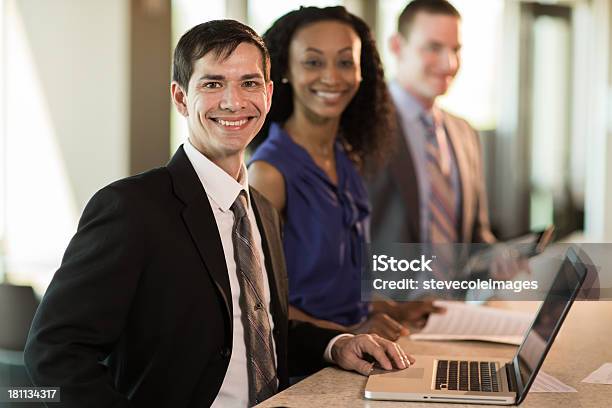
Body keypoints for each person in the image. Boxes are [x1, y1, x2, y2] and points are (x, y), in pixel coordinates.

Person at [24, 20, 413, 408]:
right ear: (180, 98)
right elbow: (53, 352)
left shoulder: (260, 209)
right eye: (212, 84)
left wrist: (336, 344)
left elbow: (257, 332)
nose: (234, 101)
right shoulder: (132, 208)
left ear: (269, 93)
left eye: (249, 83)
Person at [248, 6, 416, 341]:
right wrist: (349, 333)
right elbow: (259, 303)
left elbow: (335, 287)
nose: (332, 77)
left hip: (356, 350)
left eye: (344, 62)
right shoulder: (268, 173)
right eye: (313, 62)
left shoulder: (346, 158)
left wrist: (393, 308)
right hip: (305, 368)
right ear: (285, 71)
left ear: (361, 70)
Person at [368, 0, 496, 246]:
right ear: (397, 46)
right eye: (433, 48)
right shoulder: (363, 127)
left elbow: (476, 237)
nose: (449, 63)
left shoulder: (465, 133)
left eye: (455, 49)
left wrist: (498, 258)